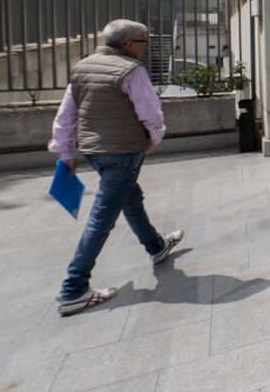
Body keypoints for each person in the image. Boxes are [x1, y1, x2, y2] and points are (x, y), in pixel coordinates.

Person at [49, 19, 185, 316]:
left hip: (94, 152)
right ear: (128, 44)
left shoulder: (82, 67)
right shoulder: (131, 71)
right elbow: (150, 111)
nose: (144, 48)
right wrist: (154, 138)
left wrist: (65, 152)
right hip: (123, 151)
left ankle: (156, 246)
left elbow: (66, 114)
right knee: (102, 218)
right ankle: (73, 289)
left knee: (131, 199)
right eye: (143, 42)